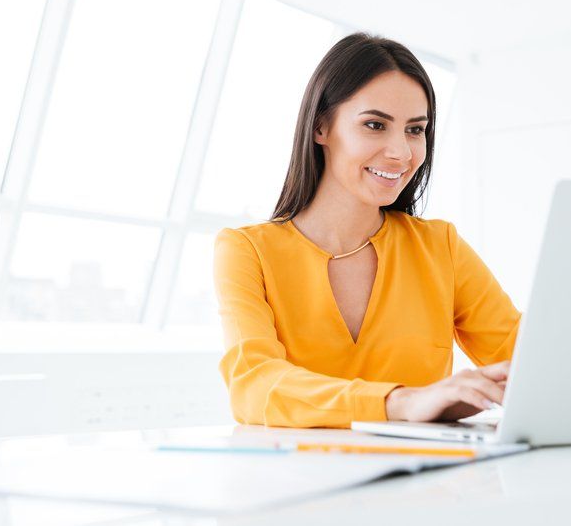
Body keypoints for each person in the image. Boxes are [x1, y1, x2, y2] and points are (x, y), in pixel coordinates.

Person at [213, 32, 521, 428]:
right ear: (321, 127)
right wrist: (400, 403)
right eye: (376, 125)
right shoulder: (247, 250)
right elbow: (254, 385)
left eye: (415, 130)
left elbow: (529, 365)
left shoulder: (440, 247)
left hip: (425, 481)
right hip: (295, 480)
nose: (402, 152)